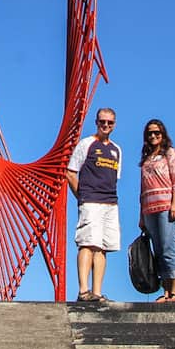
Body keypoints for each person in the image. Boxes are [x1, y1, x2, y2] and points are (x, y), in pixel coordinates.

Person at [67, 107, 122, 302]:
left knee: (102, 247)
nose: (106, 125)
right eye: (102, 122)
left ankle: (97, 293)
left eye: (110, 122)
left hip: (110, 202)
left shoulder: (116, 150)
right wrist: (81, 195)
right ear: (96, 123)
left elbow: (115, 177)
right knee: (87, 243)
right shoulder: (87, 144)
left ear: (114, 125)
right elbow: (71, 172)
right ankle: (84, 290)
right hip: (90, 201)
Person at [138, 118, 175, 302]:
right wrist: (141, 215)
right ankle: (165, 291)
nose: (153, 136)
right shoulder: (147, 159)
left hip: (167, 206)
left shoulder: (170, 153)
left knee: (169, 247)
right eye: (150, 133)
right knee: (158, 250)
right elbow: (142, 190)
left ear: (163, 134)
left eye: (157, 132)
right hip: (150, 209)